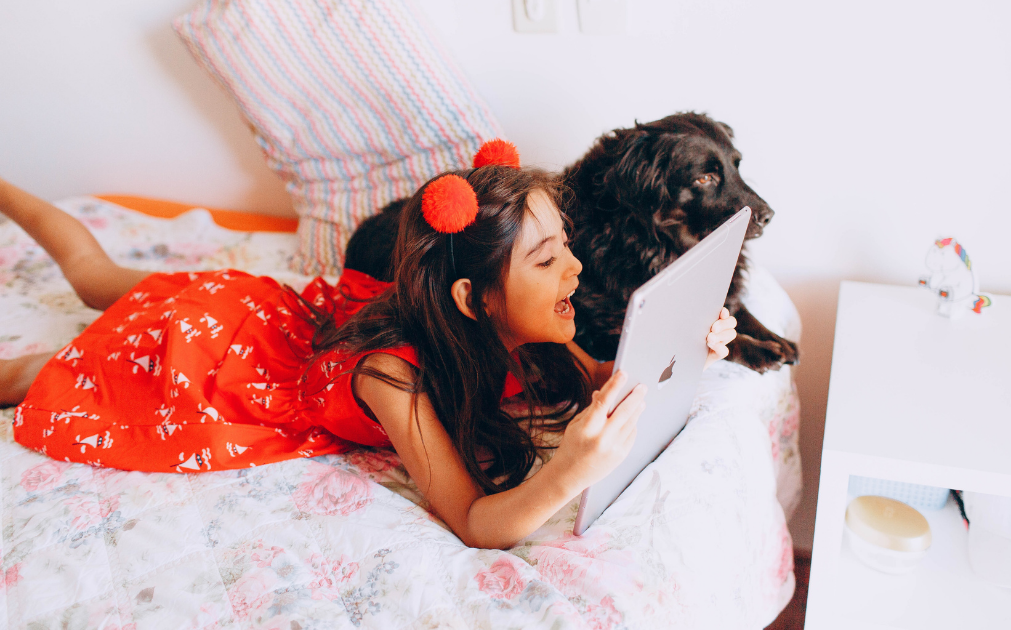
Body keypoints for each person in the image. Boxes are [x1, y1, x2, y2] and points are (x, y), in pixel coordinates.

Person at [0, 140, 737, 549]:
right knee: (57, 351)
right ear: (472, 299)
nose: (575, 268)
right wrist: (567, 472)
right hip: (221, 352)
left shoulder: (539, 326)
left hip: (288, 315)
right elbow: (476, 522)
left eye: (564, 244)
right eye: (546, 260)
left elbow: (612, 377)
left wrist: (690, 347)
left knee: (103, 282)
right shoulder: (394, 376)